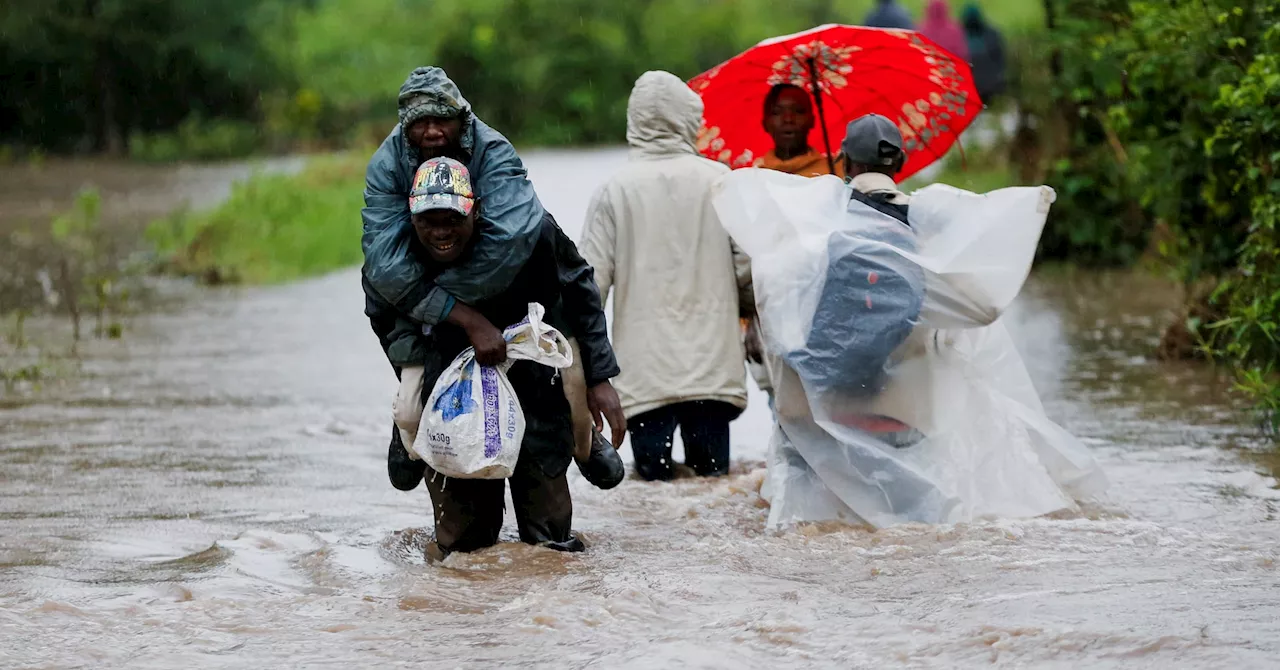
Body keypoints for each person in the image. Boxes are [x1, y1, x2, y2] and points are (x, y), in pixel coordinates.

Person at [362, 67, 623, 491]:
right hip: (427, 313)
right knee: (413, 403)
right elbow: (386, 269)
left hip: (506, 296)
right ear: (404, 126)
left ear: (461, 118)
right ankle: (409, 432)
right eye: (419, 123)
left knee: (568, 400)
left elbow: (509, 244)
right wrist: (458, 318)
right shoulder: (388, 165)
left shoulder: (494, 154)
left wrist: (599, 375)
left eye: (440, 120)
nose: (431, 132)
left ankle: (584, 442)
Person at [367, 157, 626, 559]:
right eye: (428, 222)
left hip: (537, 375)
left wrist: (599, 377)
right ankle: (410, 441)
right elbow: (383, 314)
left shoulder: (529, 231)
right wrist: (416, 371)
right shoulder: (394, 255)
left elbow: (580, 291)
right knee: (465, 553)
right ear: (410, 219)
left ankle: (584, 441)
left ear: (477, 209)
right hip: (448, 382)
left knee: (552, 547)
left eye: (452, 219)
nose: (440, 233)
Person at [578, 71, 750, 482]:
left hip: (644, 377)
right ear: (689, 118)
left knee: (654, 490)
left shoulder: (613, 191)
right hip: (712, 371)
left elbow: (589, 289)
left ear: (633, 120)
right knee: (712, 492)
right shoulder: (721, 181)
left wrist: (584, 368)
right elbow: (748, 273)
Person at [755, 84, 842, 178]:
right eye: (777, 112)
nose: (788, 119)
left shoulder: (838, 172)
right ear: (765, 124)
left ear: (812, 120)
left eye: (798, 111)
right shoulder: (754, 179)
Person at [962, 3, 1009, 103]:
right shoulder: (992, 34)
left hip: (972, 86)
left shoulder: (960, 36)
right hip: (990, 85)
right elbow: (1000, 59)